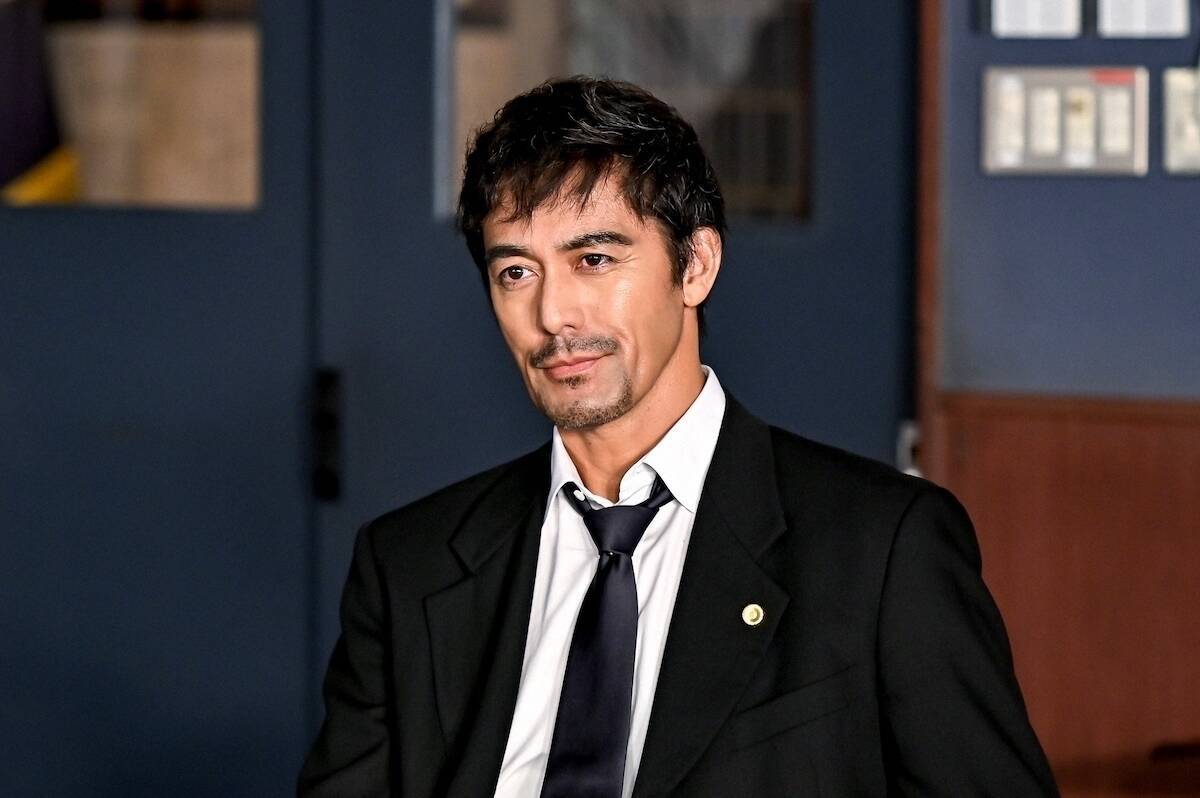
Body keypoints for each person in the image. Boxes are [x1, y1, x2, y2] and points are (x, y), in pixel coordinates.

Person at [298, 77, 1058, 797]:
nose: (553, 314)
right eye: (516, 274)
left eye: (594, 259)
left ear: (695, 266)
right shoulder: (409, 565)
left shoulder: (882, 550)